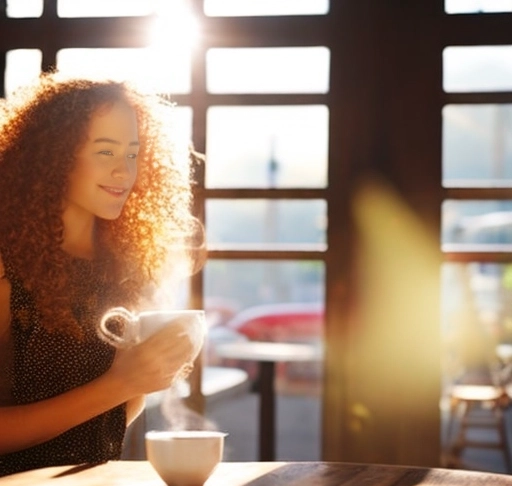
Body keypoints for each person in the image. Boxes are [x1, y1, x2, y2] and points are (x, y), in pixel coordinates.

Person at [0, 71, 205, 476]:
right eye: (105, 152)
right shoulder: (8, 265)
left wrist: (149, 370)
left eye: (132, 153)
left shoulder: (120, 261)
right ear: (53, 156)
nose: (123, 172)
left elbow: (111, 414)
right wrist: (121, 382)